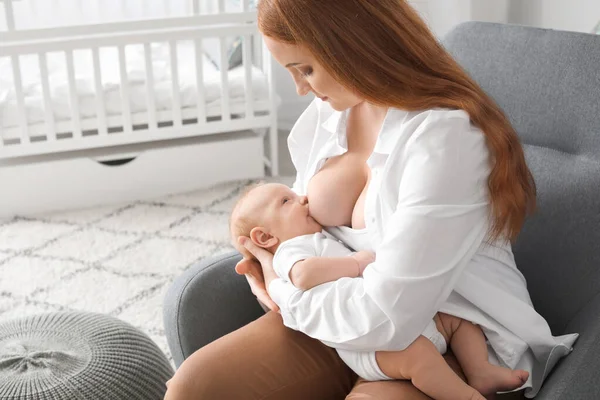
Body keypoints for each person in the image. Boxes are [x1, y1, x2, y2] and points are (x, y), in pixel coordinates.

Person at [164, 1, 578, 399]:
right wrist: (267, 260)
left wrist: (280, 283)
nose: (300, 88)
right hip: (344, 322)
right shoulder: (331, 115)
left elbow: (388, 316)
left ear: (353, 45)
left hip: (450, 336)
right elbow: (295, 228)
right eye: (292, 71)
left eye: (306, 69)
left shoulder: (445, 140)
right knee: (194, 388)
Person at [228, 181, 529, 400]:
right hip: (370, 347)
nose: (303, 198)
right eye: (287, 201)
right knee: (419, 357)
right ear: (265, 237)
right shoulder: (289, 253)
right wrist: (356, 262)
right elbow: (304, 275)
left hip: (397, 315)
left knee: (460, 320)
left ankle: (480, 370)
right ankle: (465, 396)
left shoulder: (317, 237)